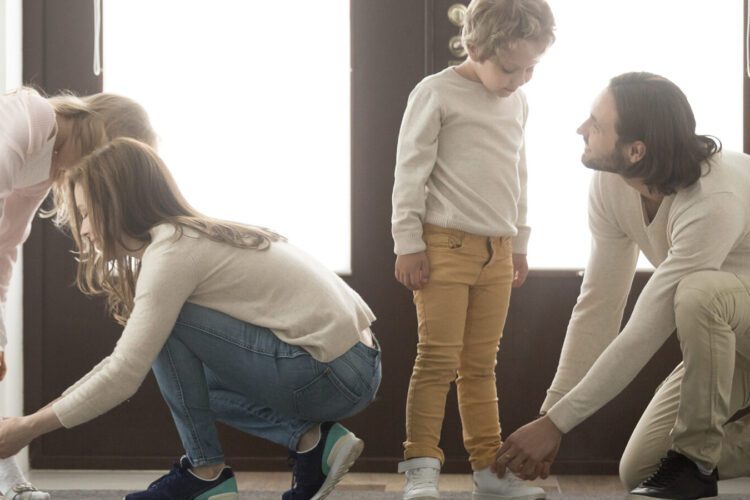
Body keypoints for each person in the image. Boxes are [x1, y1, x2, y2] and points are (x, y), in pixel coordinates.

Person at [0, 137, 382, 500]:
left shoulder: (172, 254)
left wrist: (27, 428)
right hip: (353, 365)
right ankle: (311, 442)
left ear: (116, 203)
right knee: (191, 383)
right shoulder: (187, 236)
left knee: (168, 327)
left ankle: (204, 474)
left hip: (333, 372)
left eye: (86, 214)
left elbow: (122, 373)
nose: (83, 229)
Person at [494, 72, 750, 500]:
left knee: (699, 293)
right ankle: (689, 460)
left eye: (596, 124)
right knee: (641, 470)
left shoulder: (714, 198)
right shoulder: (612, 185)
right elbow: (599, 305)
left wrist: (557, 425)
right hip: (733, 340)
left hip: (728, 315)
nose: (581, 130)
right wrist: (551, 416)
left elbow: (649, 322)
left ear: (636, 150)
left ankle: (695, 464)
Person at [390, 0, 554, 498]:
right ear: (474, 46)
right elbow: (409, 172)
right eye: (510, 67)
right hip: (444, 247)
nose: (520, 78)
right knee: (437, 360)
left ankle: (490, 470)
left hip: (498, 251)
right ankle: (421, 467)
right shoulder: (436, 93)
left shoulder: (517, 101)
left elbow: (518, 175)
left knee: (481, 366)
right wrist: (408, 242)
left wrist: (520, 241)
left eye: (531, 68)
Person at [0, 87, 156, 500]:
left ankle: (9, 485)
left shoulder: (48, 169)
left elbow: (8, 239)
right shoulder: (33, 115)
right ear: (100, 134)